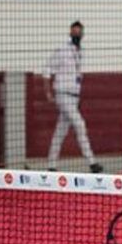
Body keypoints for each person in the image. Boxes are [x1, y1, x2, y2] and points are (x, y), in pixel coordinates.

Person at [46, 21, 101, 173]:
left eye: (79, 32)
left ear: (82, 34)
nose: (76, 34)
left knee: (60, 132)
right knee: (80, 124)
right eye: (74, 32)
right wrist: (48, 92)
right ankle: (92, 162)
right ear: (70, 33)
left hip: (73, 97)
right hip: (63, 95)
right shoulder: (62, 50)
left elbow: (77, 75)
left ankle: (51, 165)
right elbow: (47, 70)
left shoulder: (80, 52)